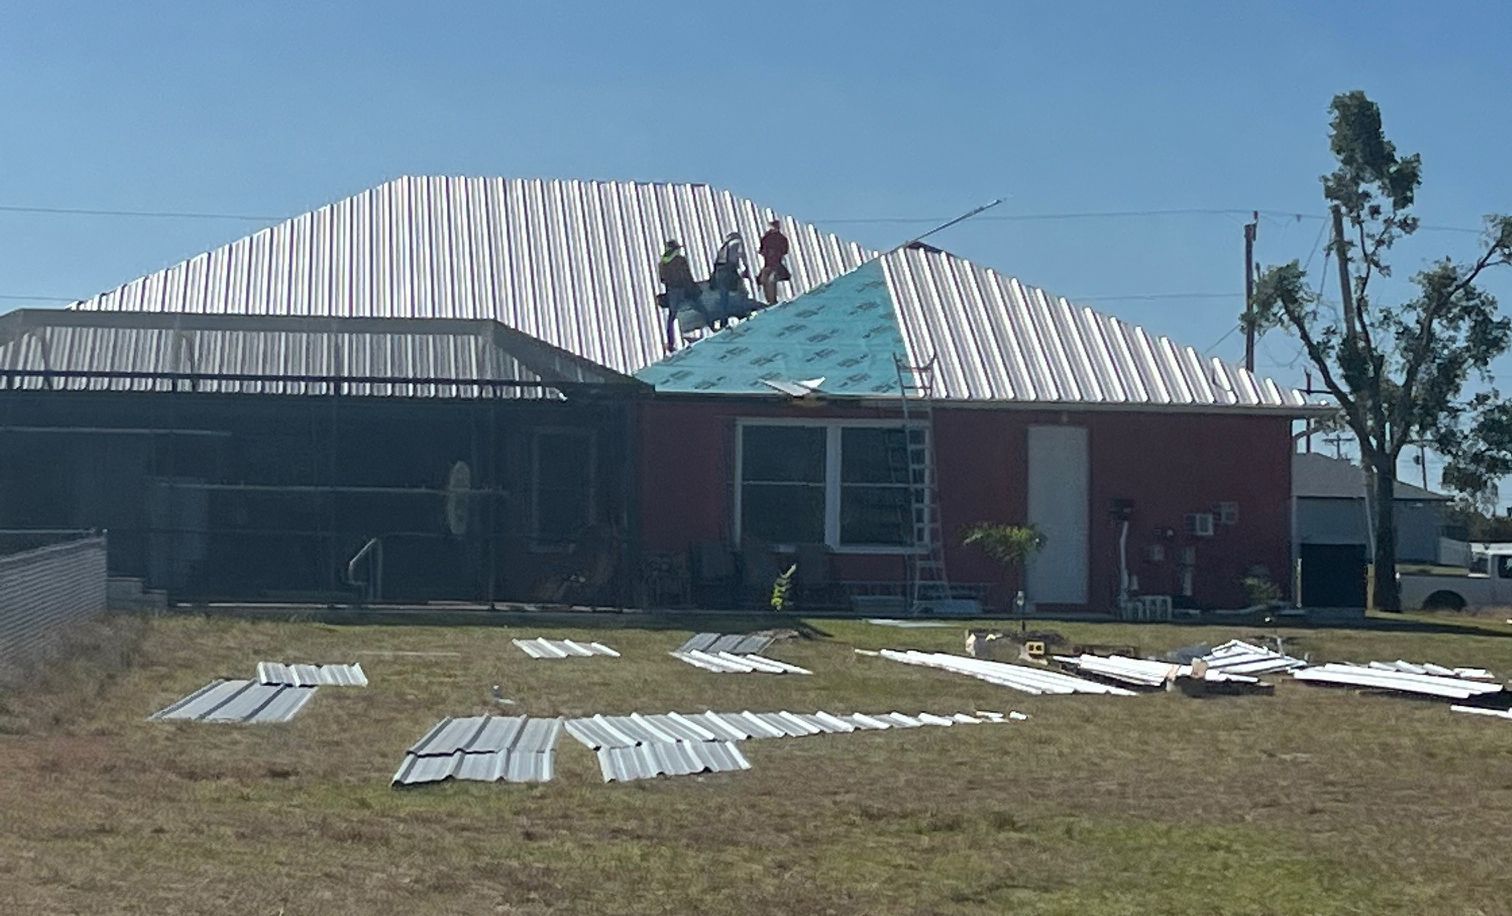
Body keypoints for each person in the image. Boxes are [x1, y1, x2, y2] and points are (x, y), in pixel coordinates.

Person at [658, 240, 710, 352]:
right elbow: (687, 275)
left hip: (672, 291)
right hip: (685, 288)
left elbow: (662, 279)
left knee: (672, 317)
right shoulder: (680, 260)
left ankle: (671, 343)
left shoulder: (663, 262)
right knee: (700, 307)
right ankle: (712, 326)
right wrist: (693, 288)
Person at [710, 231, 751, 321]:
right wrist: (744, 268)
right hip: (729, 271)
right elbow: (738, 256)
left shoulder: (723, 248)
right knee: (741, 291)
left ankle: (723, 319)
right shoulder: (735, 244)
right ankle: (744, 311)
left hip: (719, 273)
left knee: (724, 297)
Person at [756, 219, 791, 305]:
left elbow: (784, 250)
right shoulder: (766, 238)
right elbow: (761, 250)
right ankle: (769, 300)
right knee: (763, 279)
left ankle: (772, 301)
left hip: (776, 264)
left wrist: (775, 252)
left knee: (771, 280)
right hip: (768, 264)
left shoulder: (781, 238)